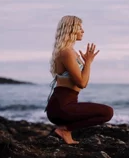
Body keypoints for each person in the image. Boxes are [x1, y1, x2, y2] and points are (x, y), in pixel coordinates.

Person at [45, 15, 114, 144]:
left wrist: (88, 62)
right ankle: (65, 130)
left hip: (67, 104)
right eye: (79, 27)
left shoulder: (71, 52)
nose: (83, 31)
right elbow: (82, 83)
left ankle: (66, 131)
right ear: (71, 29)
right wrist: (87, 63)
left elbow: (83, 81)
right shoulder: (66, 52)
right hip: (61, 107)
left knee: (106, 112)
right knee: (107, 112)